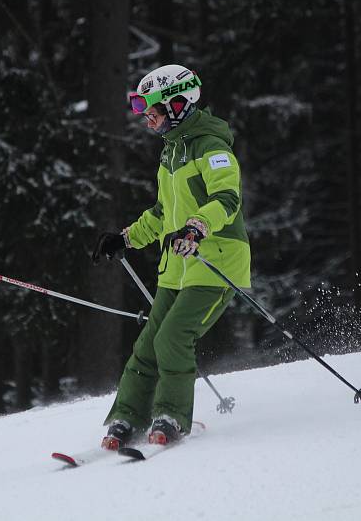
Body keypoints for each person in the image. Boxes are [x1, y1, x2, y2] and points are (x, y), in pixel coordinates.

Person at [92, 64, 251, 447]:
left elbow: (227, 199)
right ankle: (127, 417)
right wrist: (126, 239)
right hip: (177, 268)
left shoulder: (210, 145)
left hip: (216, 264)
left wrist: (197, 227)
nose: (148, 121)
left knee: (173, 337)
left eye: (154, 112)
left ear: (179, 105)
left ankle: (171, 414)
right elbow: (165, 214)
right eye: (145, 113)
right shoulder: (172, 153)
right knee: (147, 344)